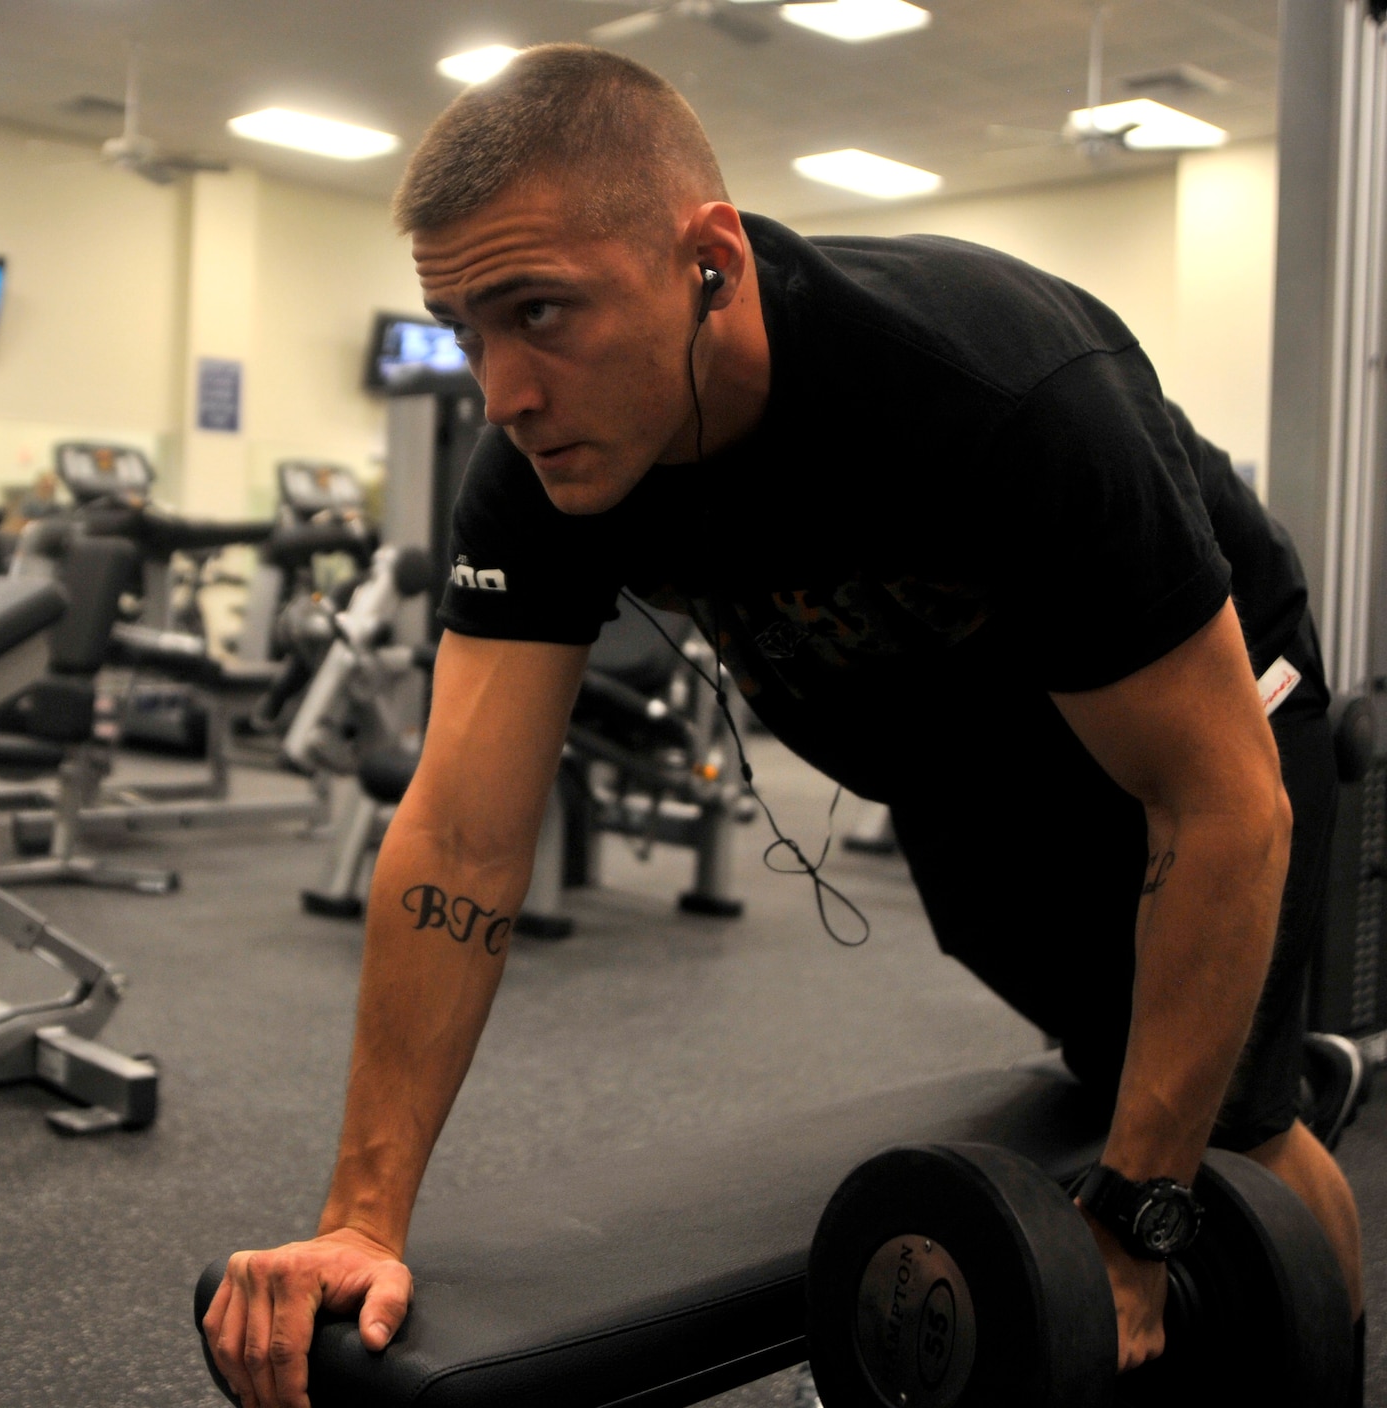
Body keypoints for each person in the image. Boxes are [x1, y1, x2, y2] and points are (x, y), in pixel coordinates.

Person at [202, 44, 1365, 1408]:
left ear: (709, 262)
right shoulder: (539, 470)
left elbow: (1219, 804)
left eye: (540, 311)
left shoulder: (994, 392)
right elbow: (460, 834)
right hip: (954, 761)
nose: (502, 390)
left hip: (1197, 713)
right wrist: (361, 1216)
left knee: (1231, 1123)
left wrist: (1138, 1218)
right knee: (1118, 1064)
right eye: (467, 330)